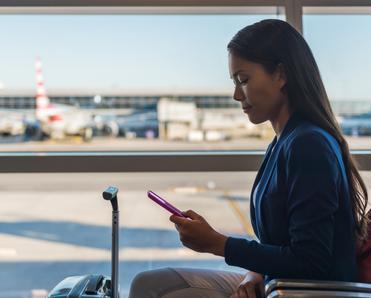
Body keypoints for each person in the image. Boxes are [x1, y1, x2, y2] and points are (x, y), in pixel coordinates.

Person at [129, 19, 369, 298]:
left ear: (281, 75)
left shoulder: (308, 145)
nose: (235, 94)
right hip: (280, 285)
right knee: (149, 284)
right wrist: (254, 271)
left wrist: (219, 244)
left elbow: (311, 261)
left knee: (151, 287)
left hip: (303, 292)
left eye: (243, 80)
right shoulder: (284, 141)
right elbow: (285, 243)